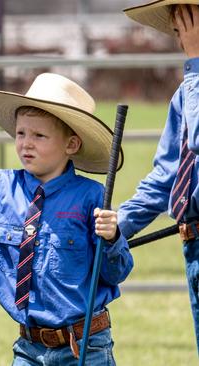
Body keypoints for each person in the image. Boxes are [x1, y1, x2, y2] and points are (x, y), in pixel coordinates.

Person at [0, 73, 133, 365]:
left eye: (39, 136)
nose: (26, 144)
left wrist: (112, 238)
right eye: (21, 133)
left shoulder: (92, 197)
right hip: (29, 348)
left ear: (71, 145)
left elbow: (117, 272)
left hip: (85, 346)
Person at [121, 1, 199, 355]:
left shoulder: (193, 84)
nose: (183, 35)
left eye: (189, 21)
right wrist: (116, 228)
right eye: (180, 26)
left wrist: (197, 64)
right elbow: (166, 176)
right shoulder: (186, 95)